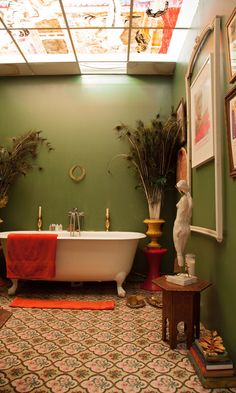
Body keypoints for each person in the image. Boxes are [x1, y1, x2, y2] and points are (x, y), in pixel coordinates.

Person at [173, 180, 193, 269]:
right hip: (186, 227)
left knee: (179, 252)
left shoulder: (183, 199)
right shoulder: (190, 200)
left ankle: (180, 272)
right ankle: (182, 272)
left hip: (179, 226)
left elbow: (181, 212)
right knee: (182, 251)